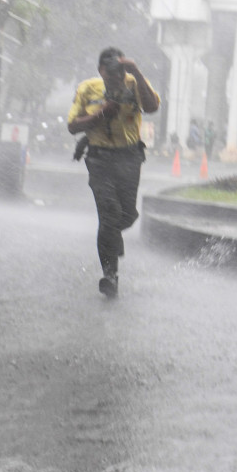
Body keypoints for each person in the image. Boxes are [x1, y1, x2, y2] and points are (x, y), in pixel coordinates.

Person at [67, 47, 160, 298]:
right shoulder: (88, 89)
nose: (116, 80)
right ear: (101, 71)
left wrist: (136, 71)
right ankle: (110, 276)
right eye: (111, 75)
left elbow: (151, 107)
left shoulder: (135, 83)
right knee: (109, 213)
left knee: (127, 215)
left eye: (120, 74)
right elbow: (72, 125)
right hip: (99, 159)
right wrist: (99, 115)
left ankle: (111, 237)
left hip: (129, 158)